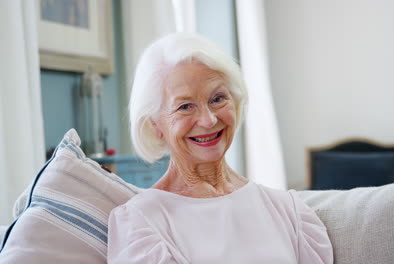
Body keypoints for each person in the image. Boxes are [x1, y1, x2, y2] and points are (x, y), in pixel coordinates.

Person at [107, 33, 333, 264]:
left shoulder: (287, 209)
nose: (208, 120)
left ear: (234, 102)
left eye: (217, 99)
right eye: (185, 106)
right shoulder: (141, 222)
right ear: (155, 124)